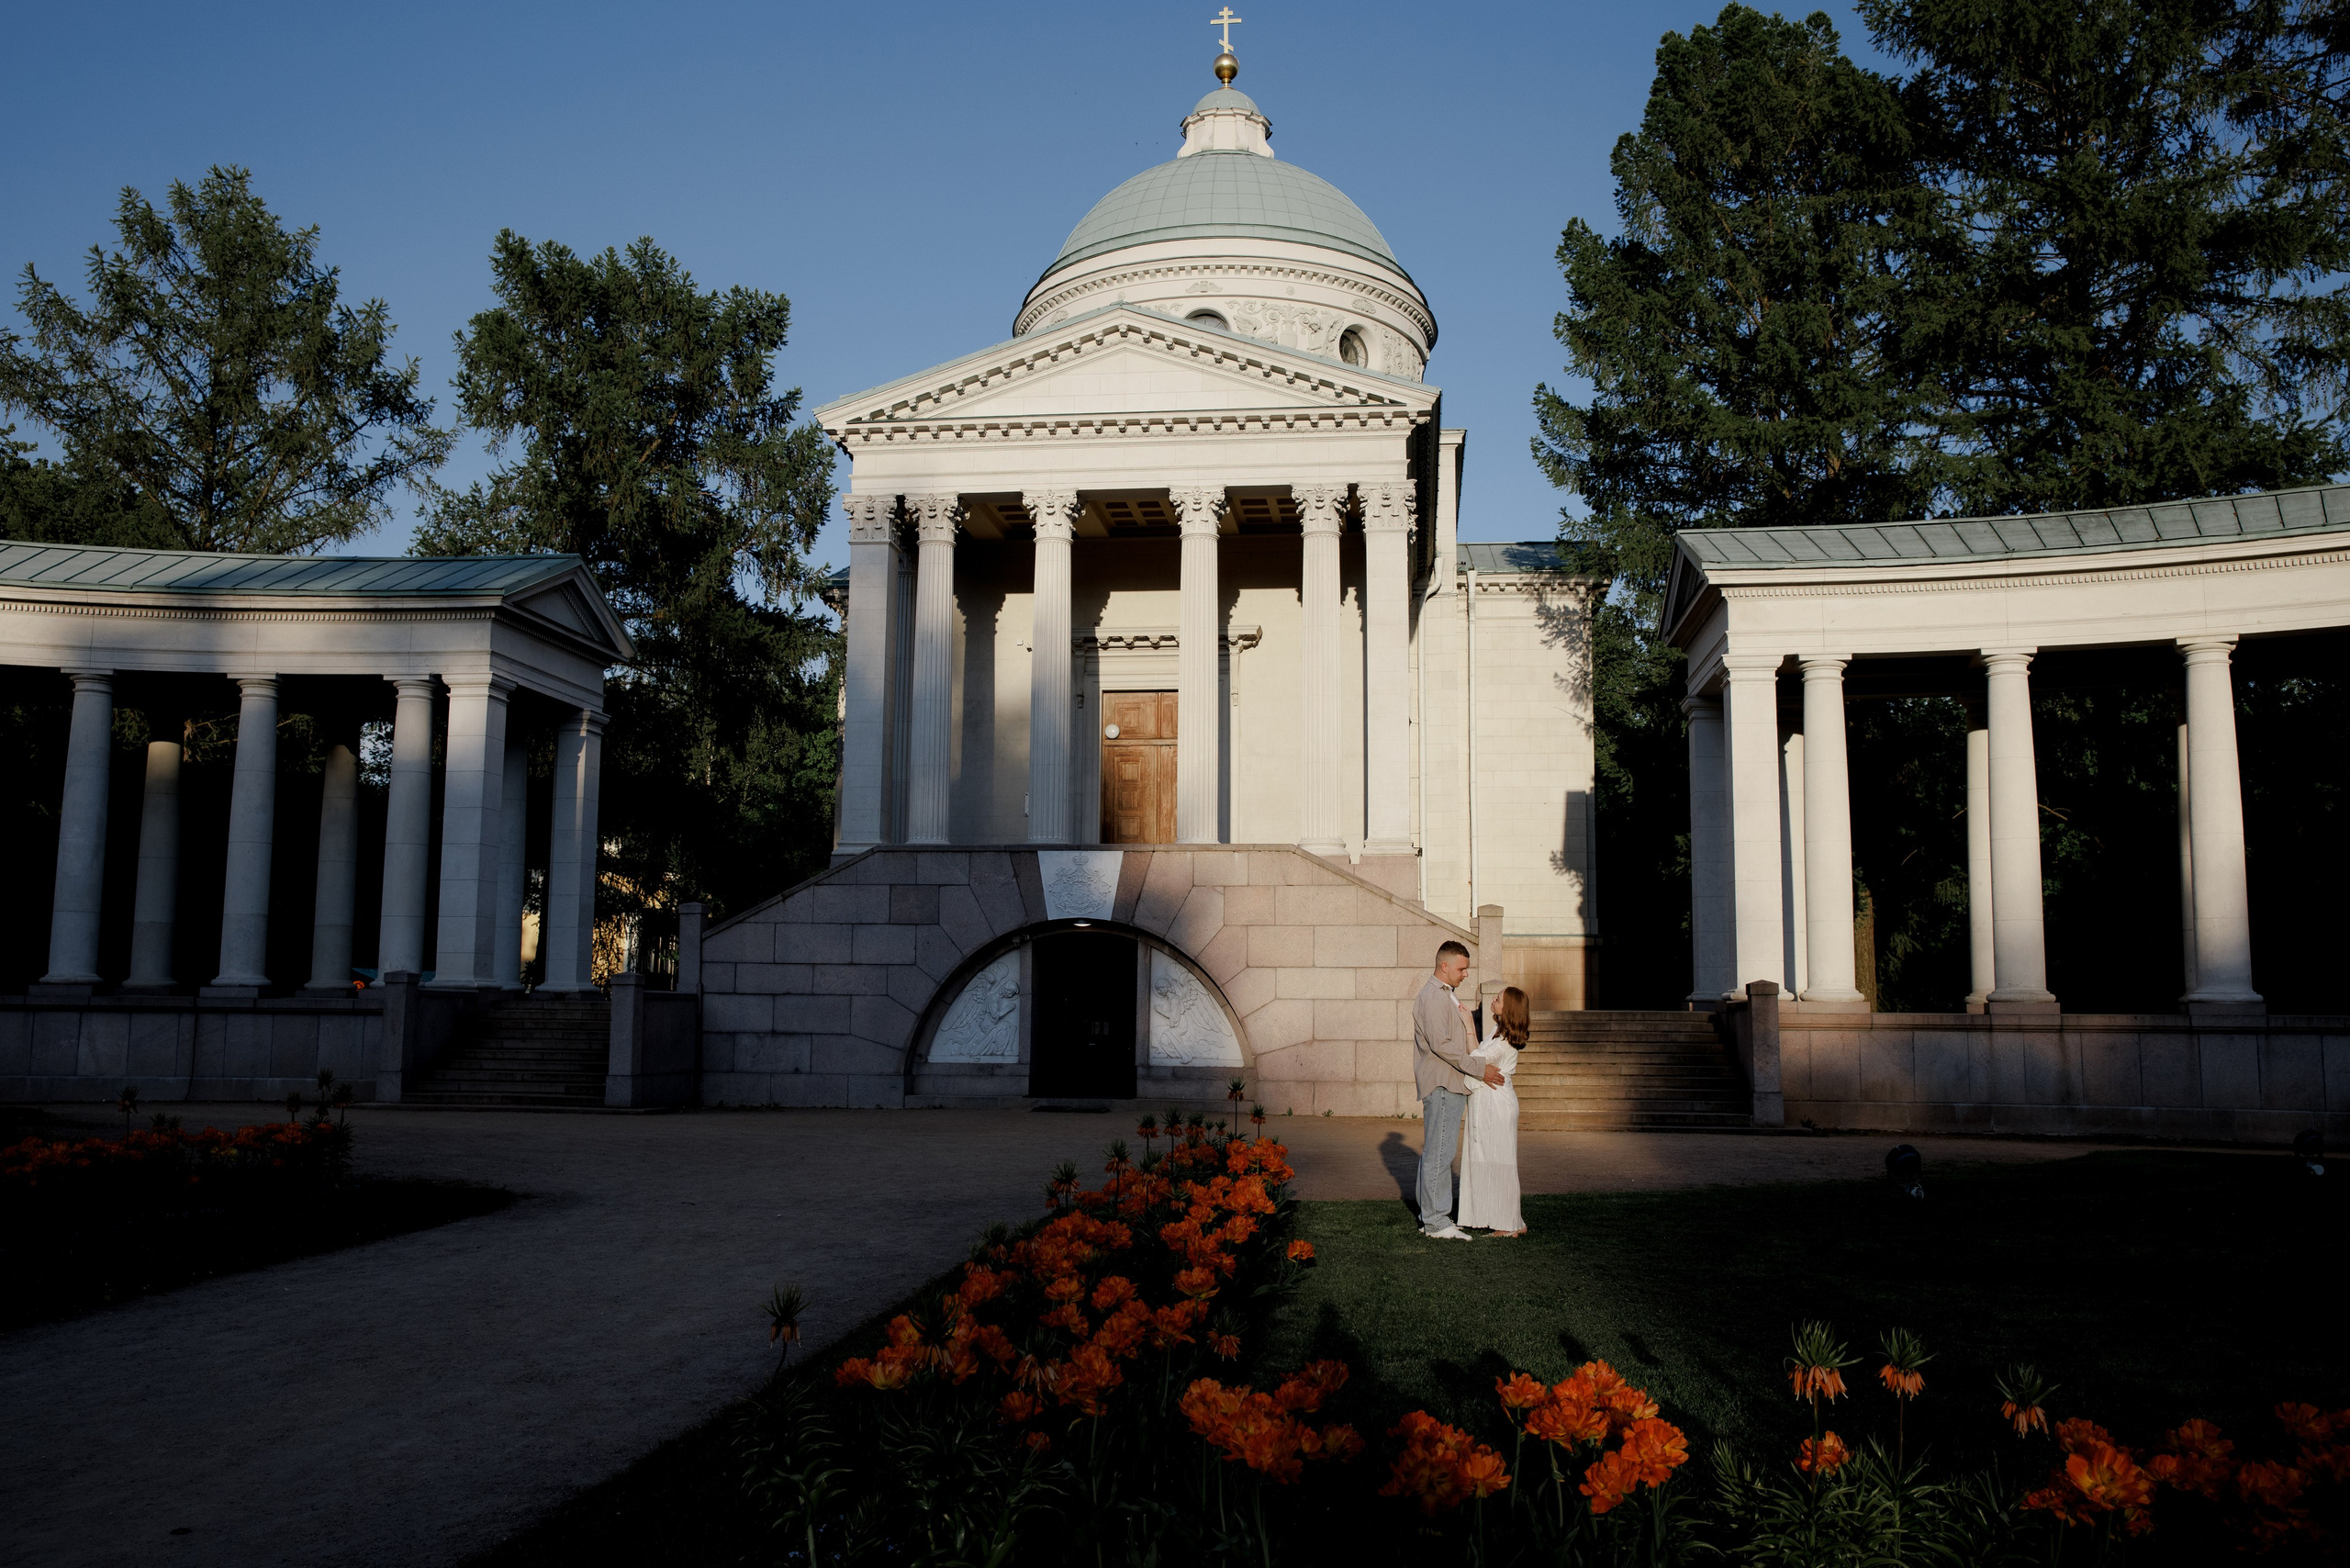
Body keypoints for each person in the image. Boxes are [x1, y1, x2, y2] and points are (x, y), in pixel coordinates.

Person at [1412, 940, 1504, 1240]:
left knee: (1436, 1152)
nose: (1466, 974)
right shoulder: (1435, 998)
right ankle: (1438, 1222)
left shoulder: (1445, 996)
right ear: (1445, 966)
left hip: (1448, 1082)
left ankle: (1431, 1217)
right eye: (1462, 968)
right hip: (1442, 1083)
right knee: (1441, 1153)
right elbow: (1443, 1047)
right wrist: (1480, 1069)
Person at [1457, 985, 1527, 1236]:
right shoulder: (1498, 1032)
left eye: (1498, 999)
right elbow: (1478, 1055)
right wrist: (1471, 1030)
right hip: (1489, 1102)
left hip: (1496, 1105)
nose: (1494, 1000)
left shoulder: (1505, 1040)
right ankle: (1510, 1220)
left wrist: (1467, 1025)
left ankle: (1507, 1224)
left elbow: (1476, 1060)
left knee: (1499, 1161)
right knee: (1489, 1158)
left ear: (1508, 1009)